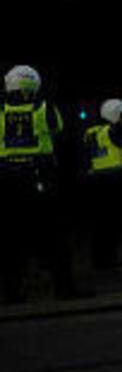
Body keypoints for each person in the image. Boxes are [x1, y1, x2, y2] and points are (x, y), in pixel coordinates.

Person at [2, 65, 82, 302]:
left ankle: (12, 293)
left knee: (11, 238)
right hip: (39, 176)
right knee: (54, 234)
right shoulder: (45, 108)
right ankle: (64, 288)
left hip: (7, 177)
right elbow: (58, 129)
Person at [83, 98, 122, 270]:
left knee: (100, 223)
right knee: (115, 223)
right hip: (116, 179)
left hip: (97, 179)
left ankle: (99, 260)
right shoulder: (115, 131)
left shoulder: (91, 131)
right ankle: (111, 260)